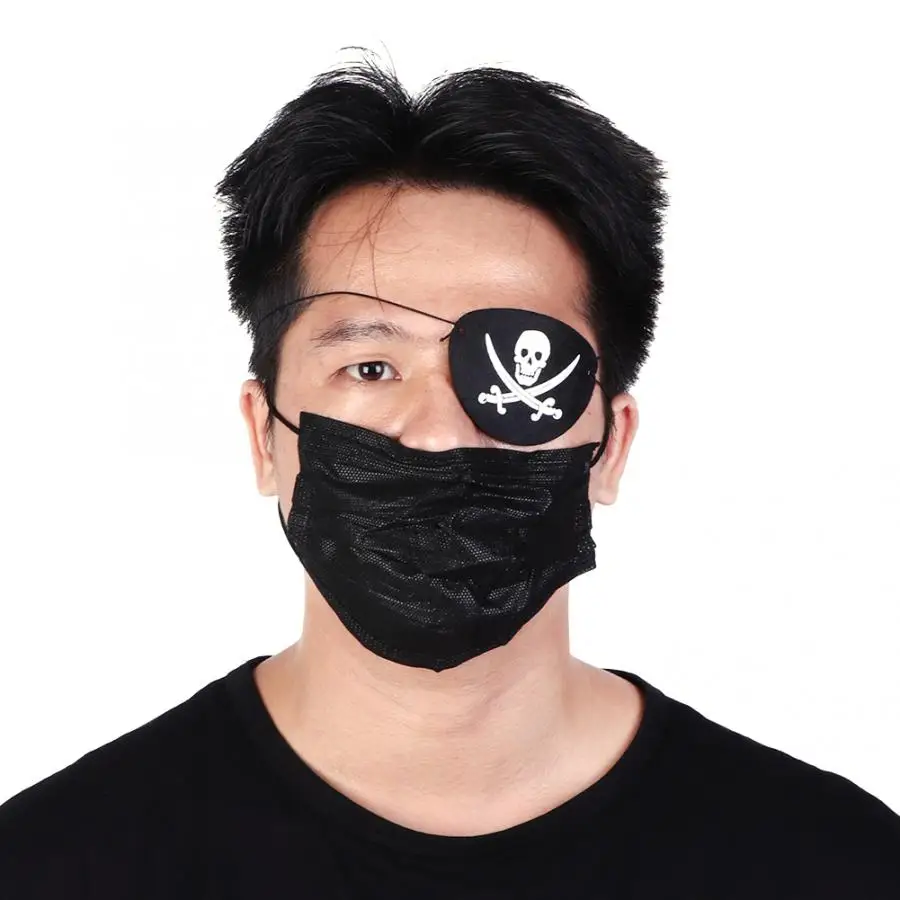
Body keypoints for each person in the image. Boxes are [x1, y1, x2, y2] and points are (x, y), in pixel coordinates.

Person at [1, 58, 898, 899]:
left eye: (515, 376)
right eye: (370, 368)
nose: (436, 434)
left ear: (611, 444)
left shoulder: (835, 865)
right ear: (263, 434)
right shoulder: (56, 865)